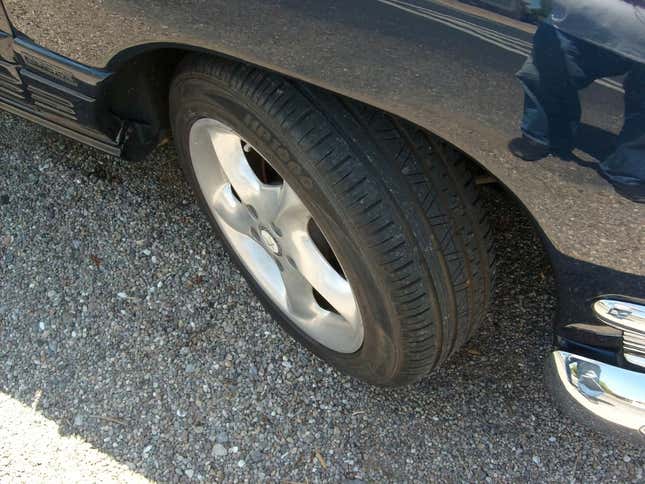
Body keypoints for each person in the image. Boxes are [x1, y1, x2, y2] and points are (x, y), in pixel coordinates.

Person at [509, 0, 645, 202]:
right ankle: (544, 135)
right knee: (542, 73)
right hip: (574, 22)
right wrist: (537, 9)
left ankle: (630, 168)